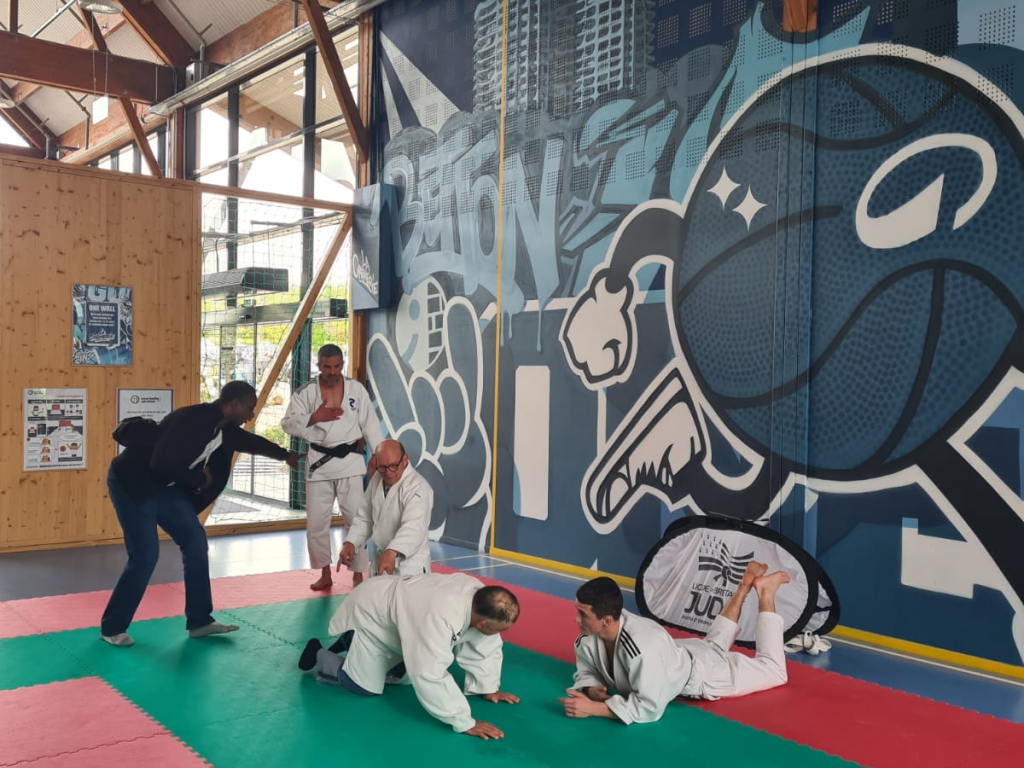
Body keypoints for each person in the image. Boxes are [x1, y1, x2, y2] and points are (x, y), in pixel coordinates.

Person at [100, 381, 301, 647]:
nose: (251, 414)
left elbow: (250, 442)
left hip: (166, 487)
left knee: (195, 543)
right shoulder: (190, 420)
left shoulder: (226, 430)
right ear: (233, 405)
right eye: (249, 408)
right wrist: (197, 478)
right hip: (133, 483)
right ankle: (112, 627)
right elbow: (160, 462)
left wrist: (285, 456)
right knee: (145, 556)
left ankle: (199, 621)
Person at [298, 573, 520, 739]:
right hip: (373, 613)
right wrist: (464, 721)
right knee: (364, 687)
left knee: (402, 679)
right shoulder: (441, 614)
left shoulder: (484, 601)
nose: (501, 634)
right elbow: (428, 672)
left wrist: (488, 686)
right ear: (481, 623)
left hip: (402, 619)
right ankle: (319, 653)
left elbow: (485, 644)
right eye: (500, 629)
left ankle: (350, 641)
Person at [559, 564, 790, 724]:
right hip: (678, 654)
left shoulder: (641, 649)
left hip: (702, 673)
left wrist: (595, 709)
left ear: (606, 620)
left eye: (582, 614)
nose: (575, 619)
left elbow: (651, 706)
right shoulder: (588, 637)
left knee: (774, 671)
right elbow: (587, 668)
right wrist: (591, 687)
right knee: (714, 645)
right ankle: (744, 586)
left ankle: (766, 592)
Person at [282, 343, 384, 591]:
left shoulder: (356, 390)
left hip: (350, 462)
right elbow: (287, 424)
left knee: (355, 520)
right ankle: (325, 572)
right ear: (319, 366)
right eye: (327, 367)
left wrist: (379, 454)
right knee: (317, 523)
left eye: (337, 366)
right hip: (319, 463)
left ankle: (358, 574)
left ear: (342, 365)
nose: (332, 371)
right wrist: (314, 417)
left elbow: (370, 425)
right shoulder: (306, 393)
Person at [337, 439, 432, 579]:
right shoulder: (377, 479)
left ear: (404, 459)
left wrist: (392, 551)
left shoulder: (419, 488)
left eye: (393, 466)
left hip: (409, 567)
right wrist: (351, 542)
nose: (387, 472)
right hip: (380, 562)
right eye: (382, 467)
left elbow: (413, 528)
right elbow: (365, 518)